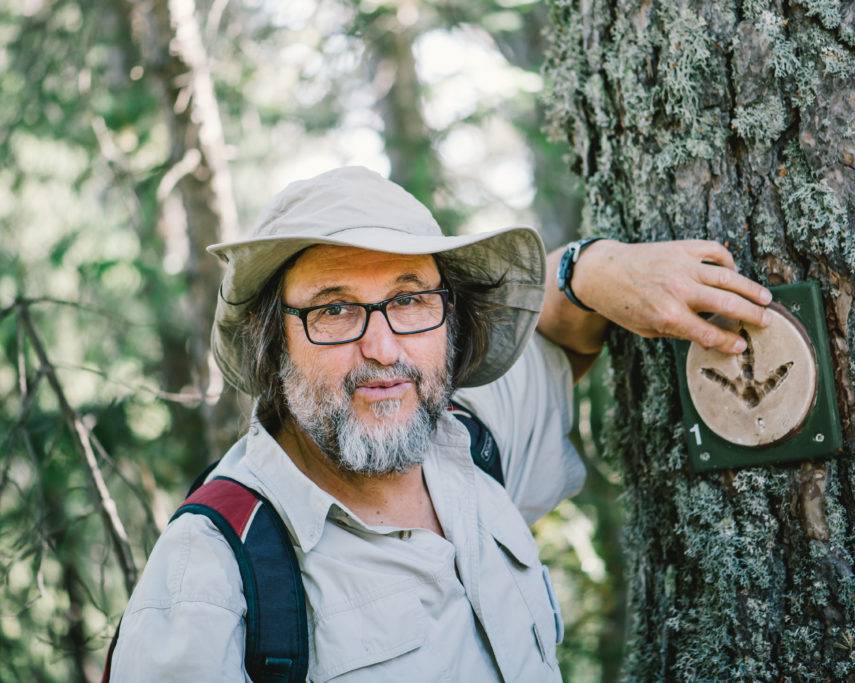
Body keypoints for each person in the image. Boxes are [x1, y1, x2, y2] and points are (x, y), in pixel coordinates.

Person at [109, 166, 772, 681]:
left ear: (449, 317)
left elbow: (566, 333)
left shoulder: (466, 441)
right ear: (271, 341)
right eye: (335, 309)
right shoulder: (211, 573)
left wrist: (593, 267)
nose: (385, 348)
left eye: (409, 297)